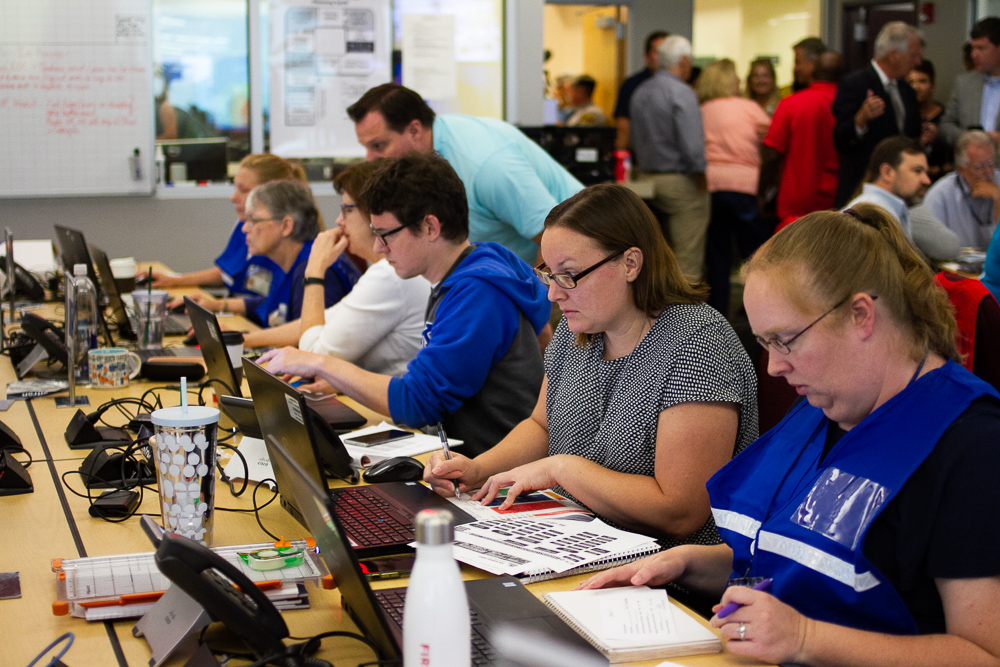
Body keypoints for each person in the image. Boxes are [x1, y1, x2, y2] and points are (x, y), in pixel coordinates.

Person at [580, 204, 1000, 666]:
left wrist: (804, 637)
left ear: (861, 315)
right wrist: (685, 563)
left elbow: (984, 653)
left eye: (786, 340)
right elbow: (786, 561)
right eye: (764, 344)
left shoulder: (971, 446)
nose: (775, 368)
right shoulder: (825, 410)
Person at [423, 184, 758, 544]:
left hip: (668, 573)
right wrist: (478, 469)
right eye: (548, 273)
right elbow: (541, 426)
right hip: (578, 540)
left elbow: (680, 511)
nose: (554, 293)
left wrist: (563, 469)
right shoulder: (577, 328)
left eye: (569, 274)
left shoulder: (698, 344)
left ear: (630, 263)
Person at [259, 153, 550, 456]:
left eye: (386, 235)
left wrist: (319, 363)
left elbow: (418, 403)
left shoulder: (477, 293)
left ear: (429, 227)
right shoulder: (467, 273)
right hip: (461, 461)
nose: (377, 248)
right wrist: (342, 381)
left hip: (488, 475)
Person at [346, 83, 583, 267]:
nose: (369, 159)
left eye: (378, 146)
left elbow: (557, 238)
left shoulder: (486, 165)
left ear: (415, 130)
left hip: (569, 269)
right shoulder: (424, 162)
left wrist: (535, 310)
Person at [296, 161, 431, 377]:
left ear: (374, 214)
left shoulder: (390, 274)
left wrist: (314, 271)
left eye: (346, 210)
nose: (339, 221)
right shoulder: (384, 269)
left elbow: (312, 357)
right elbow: (328, 318)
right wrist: (247, 338)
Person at [181, 179, 361, 333]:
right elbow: (275, 305)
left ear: (285, 226)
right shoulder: (289, 260)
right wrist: (218, 305)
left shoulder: (316, 270)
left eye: (254, 220)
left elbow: (311, 340)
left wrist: (242, 339)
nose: (245, 228)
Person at [142, 154, 317, 295]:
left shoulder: (297, 257)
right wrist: (175, 280)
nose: (233, 197)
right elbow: (229, 273)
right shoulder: (247, 227)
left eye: (244, 190)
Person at [630, 36, 709, 282]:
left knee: (654, 258)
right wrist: (701, 176)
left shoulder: (640, 90)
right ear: (683, 61)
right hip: (678, 182)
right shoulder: (682, 92)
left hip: (644, 179)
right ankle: (685, 317)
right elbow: (692, 145)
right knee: (688, 258)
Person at [697, 58, 771, 317]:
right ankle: (758, 313)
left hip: (712, 187)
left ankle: (717, 316)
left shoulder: (702, 110)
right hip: (746, 187)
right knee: (756, 258)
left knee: (718, 258)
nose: (740, 81)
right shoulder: (749, 108)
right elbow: (770, 140)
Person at [832, 21, 924, 207]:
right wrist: (860, 119)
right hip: (863, 190)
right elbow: (840, 139)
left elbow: (909, 135)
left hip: (902, 194)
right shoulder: (854, 84)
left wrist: (924, 141)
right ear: (893, 55)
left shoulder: (907, 90)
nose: (918, 62)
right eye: (913, 55)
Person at [760, 50, 842, 227]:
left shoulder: (791, 104)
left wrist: (761, 192)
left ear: (814, 70)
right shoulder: (851, 106)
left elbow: (771, 153)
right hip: (839, 201)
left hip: (796, 205)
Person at [845, 136, 959, 261]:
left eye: (926, 172)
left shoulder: (889, 208)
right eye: (917, 171)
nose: (926, 180)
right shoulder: (873, 212)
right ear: (887, 172)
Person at [923, 129, 1000, 248]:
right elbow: (929, 244)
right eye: (979, 167)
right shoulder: (940, 194)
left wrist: (998, 199)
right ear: (961, 170)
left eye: (991, 164)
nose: (989, 173)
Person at [939, 17, 1000, 148]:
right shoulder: (964, 83)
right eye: (973, 48)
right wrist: (967, 138)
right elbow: (946, 125)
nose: (974, 55)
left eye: (981, 48)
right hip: (968, 164)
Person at [613, 31, 668, 150]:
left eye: (667, 53)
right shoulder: (632, 85)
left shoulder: (681, 86)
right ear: (646, 56)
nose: (663, 57)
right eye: (658, 52)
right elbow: (623, 126)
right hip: (638, 154)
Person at [905, 59, 953, 180]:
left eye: (922, 81)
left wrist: (940, 134)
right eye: (911, 82)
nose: (916, 87)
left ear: (932, 84)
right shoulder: (904, 116)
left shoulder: (947, 116)